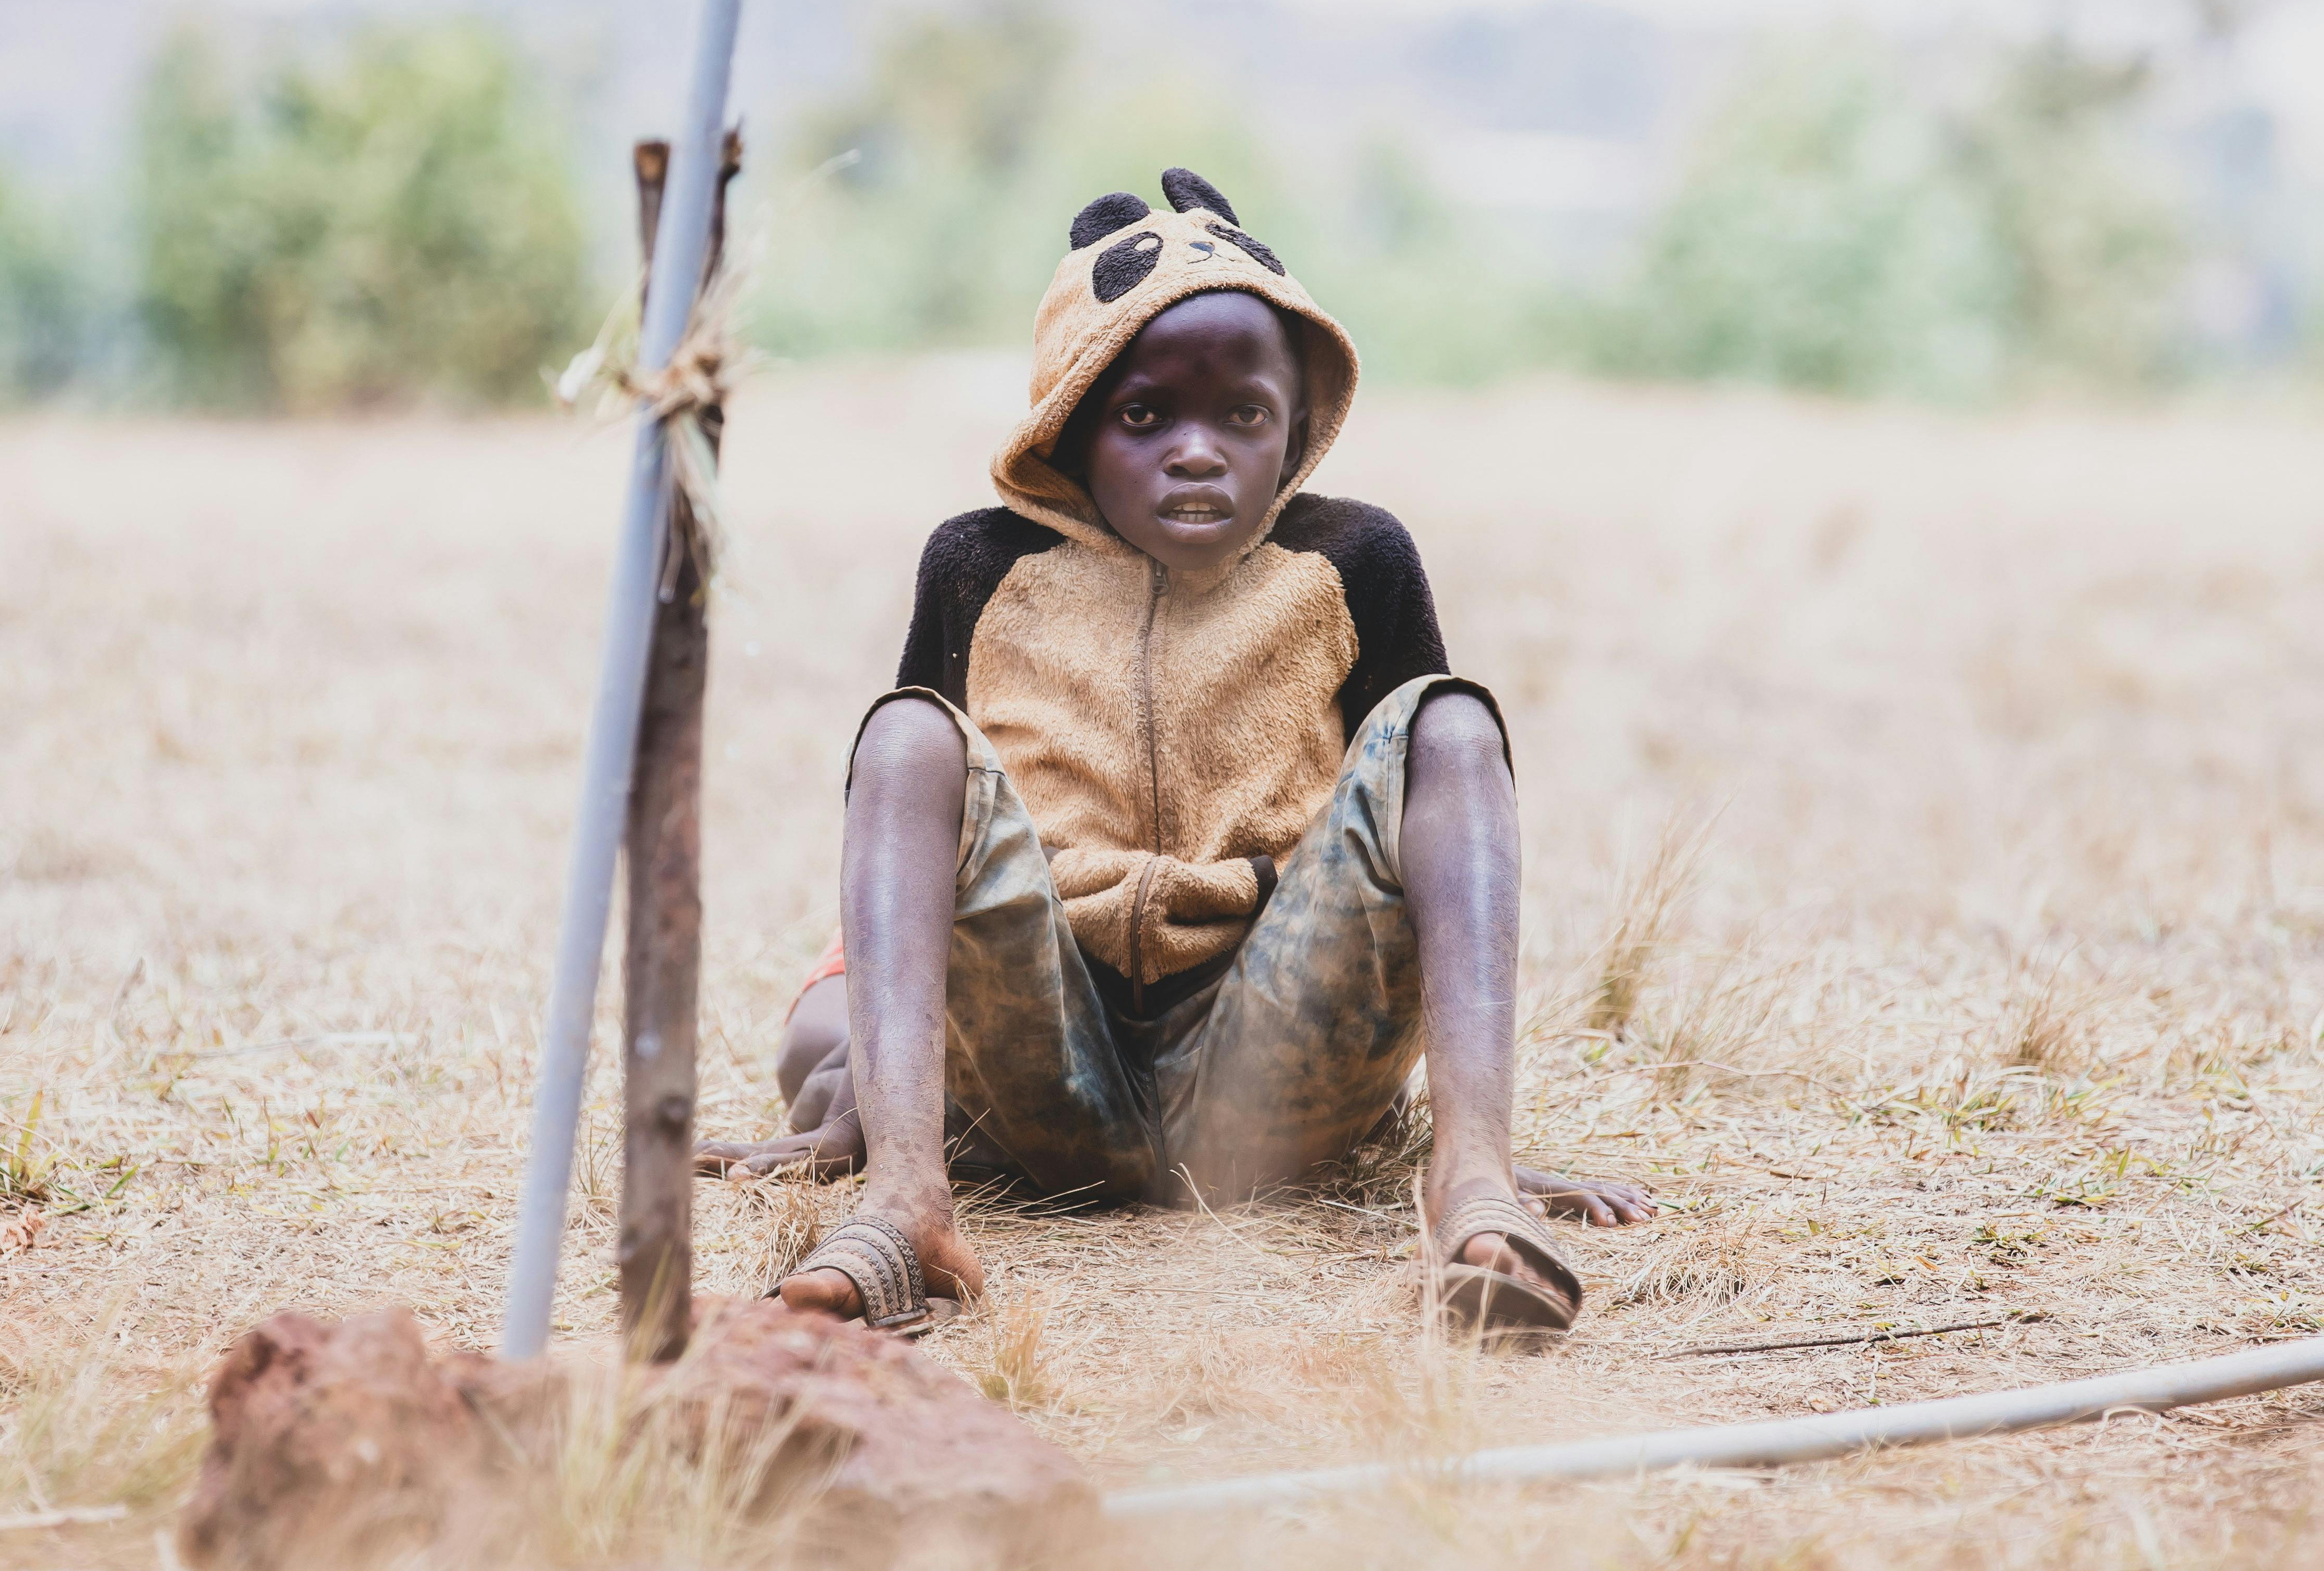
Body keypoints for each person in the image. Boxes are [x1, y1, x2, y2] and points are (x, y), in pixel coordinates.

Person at [697, 169, 1650, 1336]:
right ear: (1070, 425)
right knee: (905, 732)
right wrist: (863, 1100)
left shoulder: (1356, 561)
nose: (1198, 452)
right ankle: (907, 1200)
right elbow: (929, 828)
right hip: (1045, 1065)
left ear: (1298, 427)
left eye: (1243, 415)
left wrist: (1482, 1123)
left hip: (1277, 1069)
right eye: (1146, 416)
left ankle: (1474, 1186)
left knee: (1448, 723)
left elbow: (1425, 826)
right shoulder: (977, 567)